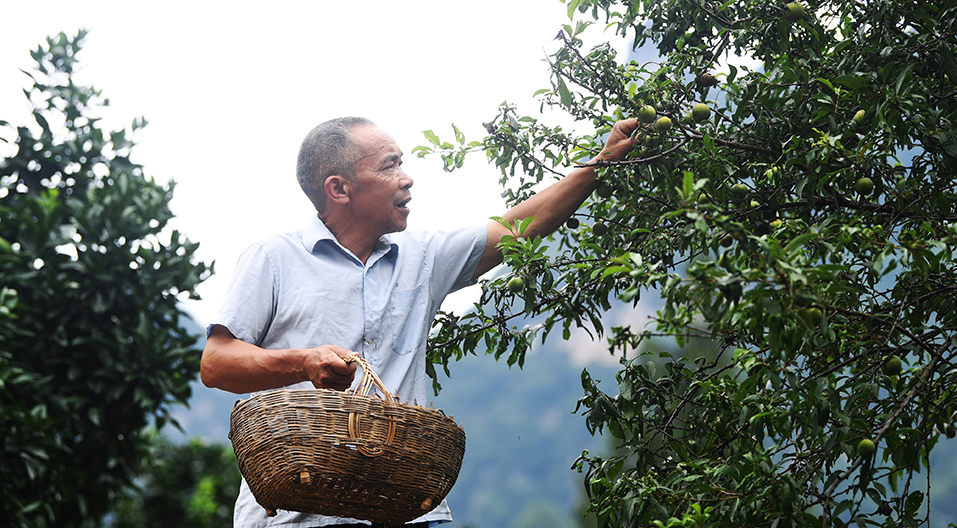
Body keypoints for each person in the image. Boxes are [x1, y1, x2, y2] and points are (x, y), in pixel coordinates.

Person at [200, 115, 640, 528]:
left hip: (407, 512)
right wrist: (302, 362)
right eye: (390, 166)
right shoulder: (274, 259)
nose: (407, 178)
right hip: (296, 516)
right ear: (339, 189)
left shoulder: (423, 257)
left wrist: (600, 164)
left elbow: (517, 228)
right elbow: (216, 364)